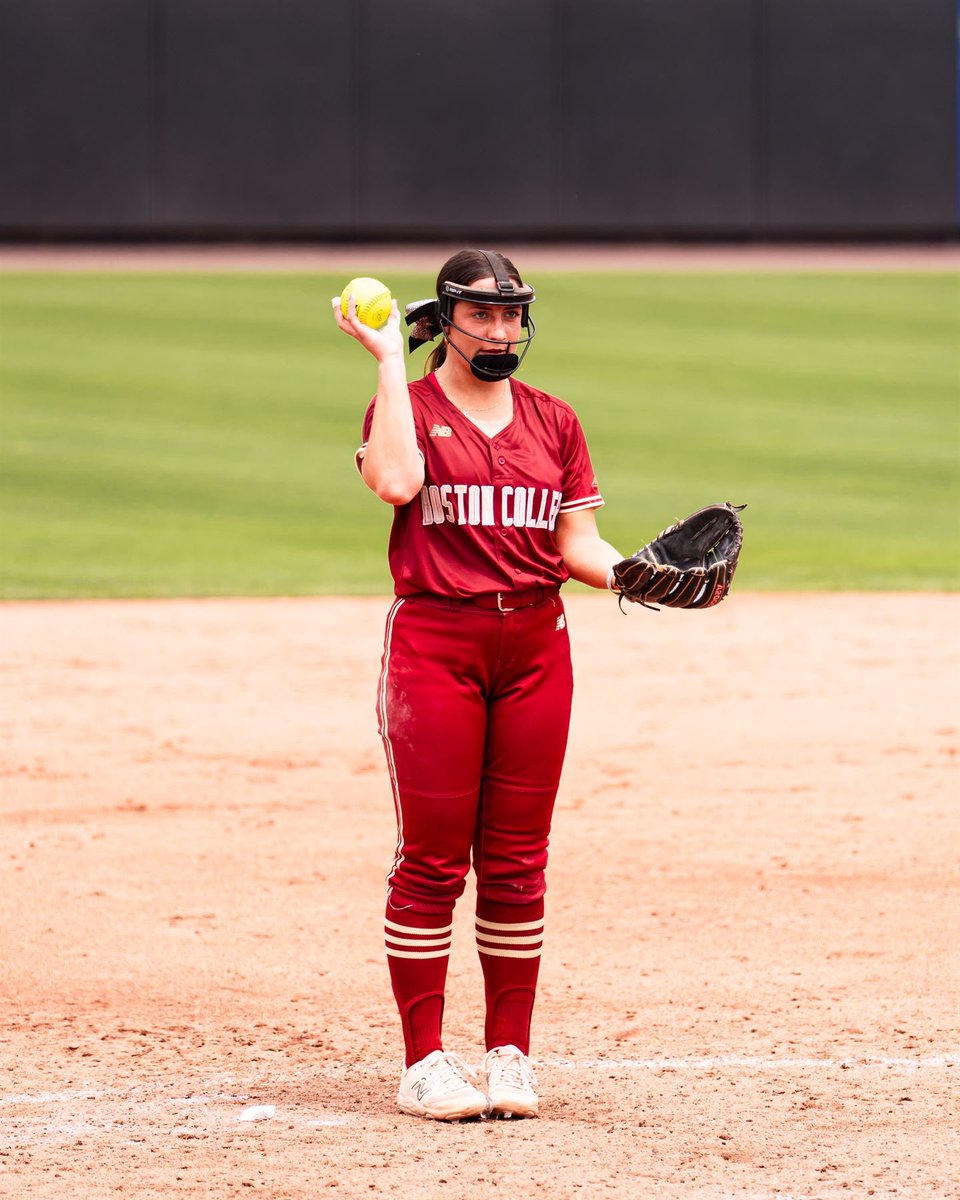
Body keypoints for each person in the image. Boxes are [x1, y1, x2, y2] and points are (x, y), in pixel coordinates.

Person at [332, 249, 624, 1121]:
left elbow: (578, 546)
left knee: (517, 862)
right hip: (437, 647)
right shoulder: (408, 408)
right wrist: (388, 360)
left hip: (537, 646)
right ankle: (423, 1062)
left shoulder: (555, 421)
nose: (501, 331)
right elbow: (394, 481)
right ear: (446, 320)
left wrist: (641, 576)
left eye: (511, 316)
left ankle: (510, 1055)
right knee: (431, 858)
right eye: (484, 316)